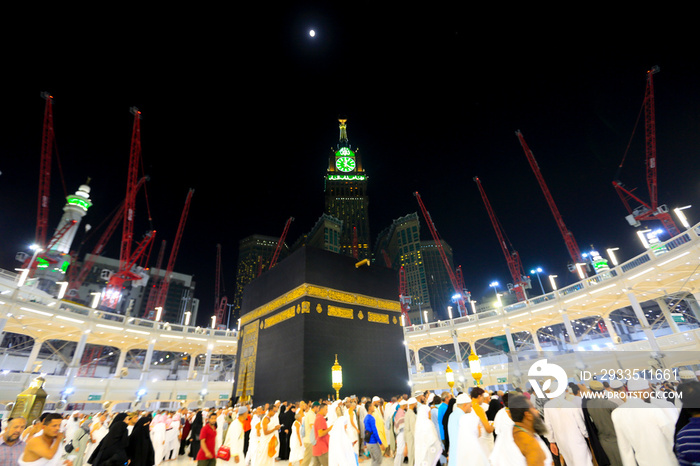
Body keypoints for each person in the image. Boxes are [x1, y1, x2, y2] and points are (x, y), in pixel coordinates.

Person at [611, 378, 679, 466]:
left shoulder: (617, 413)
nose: (651, 393)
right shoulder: (653, 409)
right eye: (650, 390)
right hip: (666, 460)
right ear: (643, 390)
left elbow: (625, 448)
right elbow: (671, 434)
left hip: (643, 462)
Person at [543, 387, 592, 466]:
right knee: (584, 461)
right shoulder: (570, 405)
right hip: (576, 439)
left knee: (570, 462)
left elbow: (548, 426)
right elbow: (580, 424)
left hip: (562, 442)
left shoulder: (547, 406)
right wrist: (587, 435)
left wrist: (552, 441)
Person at [582, 380, 620, 466]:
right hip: (617, 441)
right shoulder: (611, 404)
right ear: (603, 391)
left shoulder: (587, 406)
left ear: (591, 391)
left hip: (602, 443)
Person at [509, 394, 553, 466]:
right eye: (533, 408)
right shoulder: (529, 443)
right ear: (528, 415)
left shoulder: (511, 432)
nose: (537, 412)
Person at [414, 400, 442, 466]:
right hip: (430, 451)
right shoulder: (428, 423)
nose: (430, 414)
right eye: (429, 412)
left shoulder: (418, 424)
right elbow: (433, 439)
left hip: (421, 452)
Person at [447, 394, 467, 464]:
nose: (471, 407)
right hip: (461, 451)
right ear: (465, 405)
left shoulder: (452, 415)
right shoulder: (462, 416)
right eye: (470, 405)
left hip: (453, 450)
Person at [363, 402, 383, 466]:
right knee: (378, 460)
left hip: (369, 442)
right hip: (373, 442)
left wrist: (365, 443)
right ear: (369, 408)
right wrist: (380, 443)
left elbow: (365, 431)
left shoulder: (366, 418)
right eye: (372, 406)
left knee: (374, 460)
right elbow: (375, 431)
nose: (373, 407)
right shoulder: (371, 418)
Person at [403, 397, 417, 466]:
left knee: (411, 455)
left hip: (408, 437)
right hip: (411, 437)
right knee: (412, 455)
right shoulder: (411, 414)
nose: (416, 406)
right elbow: (413, 428)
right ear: (413, 404)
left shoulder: (407, 412)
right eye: (416, 404)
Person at [393, 399, 407, 466]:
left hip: (401, 434)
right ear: (404, 405)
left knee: (401, 452)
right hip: (401, 434)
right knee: (400, 452)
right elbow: (401, 426)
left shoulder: (400, 412)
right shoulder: (401, 413)